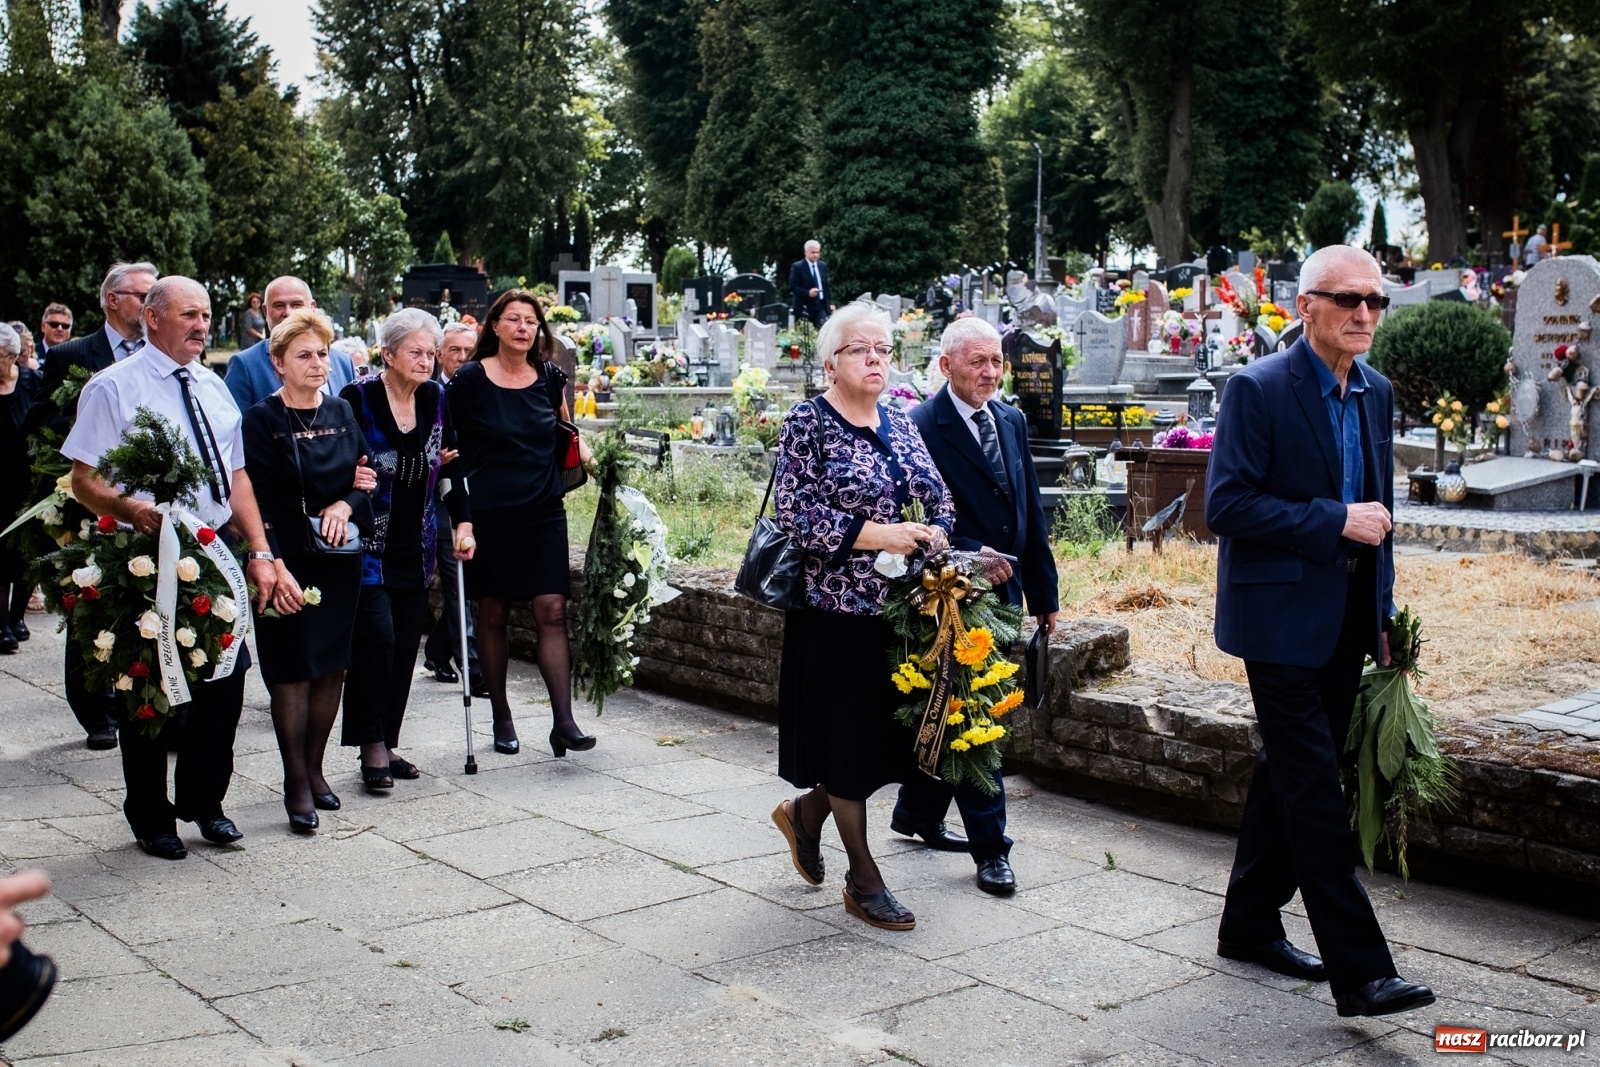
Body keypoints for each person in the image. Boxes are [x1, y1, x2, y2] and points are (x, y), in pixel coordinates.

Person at [1206, 244, 1435, 1017]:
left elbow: (1384, 521)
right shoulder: (1257, 389)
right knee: (1313, 791)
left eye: (1375, 301)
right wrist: (1335, 519)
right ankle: (1362, 971)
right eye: (1347, 300)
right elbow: (1226, 507)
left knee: (1287, 771)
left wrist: (1385, 618)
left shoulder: (1376, 391)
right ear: (1306, 307)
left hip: (1346, 621)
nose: (1364, 314)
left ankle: (1246, 922)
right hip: (1274, 620)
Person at [62, 276, 279, 860]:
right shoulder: (114, 388)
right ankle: (152, 816)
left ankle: (206, 803)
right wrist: (129, 509)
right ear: (152, 319)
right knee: (147, 690)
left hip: (212, 556)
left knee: (225, 685)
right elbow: (84, 480)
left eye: (206, 315)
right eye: (189, 315)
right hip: (144, 557)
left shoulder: (213, 386)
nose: (202, 326)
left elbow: (235, 479)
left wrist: (258, 550)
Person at [769, 300, 954, 932]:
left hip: (900, 613)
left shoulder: (901, 421)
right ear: (830, 362)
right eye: (860, 349)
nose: (875, 358)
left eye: (882, 349)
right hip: (835, 614)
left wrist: (932, 533)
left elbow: (939, 498)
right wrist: (881, 536)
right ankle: (863, 878)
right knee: (848, 745)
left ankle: (807, 813)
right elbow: (793, 515)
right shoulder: (807, 422)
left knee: (878, 745)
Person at [889, 316, 1058, 896]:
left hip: (1005, 595)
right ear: (946, 366)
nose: (991, 373)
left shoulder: (1008, 419)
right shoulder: (916, 426)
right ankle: (992, 849)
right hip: (948, 598)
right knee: (973, 717)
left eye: (997, 363)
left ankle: (916, 810)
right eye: (978, 362)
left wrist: (1045, 594)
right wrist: (963, 555)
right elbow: (908, 520)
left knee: (957, 708)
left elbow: (1029, 513)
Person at [447, 290, 591, 759]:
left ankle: (563, 722)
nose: (524, 328)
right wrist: (461, 520)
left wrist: (599, 461)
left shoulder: (550, 378)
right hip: (490, 514)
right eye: (514, 319)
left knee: (552, 609)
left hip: (543, 509)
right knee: (493, 612)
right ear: (495, 327)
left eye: (531, 321)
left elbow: (565, 433)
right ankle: (502, 716)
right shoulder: (469, 380)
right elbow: (451, 451)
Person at [242, 309, 371, 833]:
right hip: (285, 561)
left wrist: (343, 506)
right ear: (278, 363)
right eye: (304, 355)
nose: (318, 363)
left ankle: (316, 769)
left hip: (339, 561)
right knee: (292, 673)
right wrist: (267, 560)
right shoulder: (262, 419)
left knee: (332, 669)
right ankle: (295, 781)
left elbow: (365, 481)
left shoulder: (341, 408)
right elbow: (253, 498)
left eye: (322, 354)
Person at [26, 261, 159, 751]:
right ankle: (96, 711)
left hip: (146, 499)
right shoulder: (72, 355)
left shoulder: (158, 354)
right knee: (90, 605)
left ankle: (141, 697)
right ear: (112, 299)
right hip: (87, 500)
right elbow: (40, 422)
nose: (150, 304)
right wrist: (93, 441)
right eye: (142, 295)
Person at [342, 308, 475, 788]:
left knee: (402, 646)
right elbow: (344, 466)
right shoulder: (356, 398)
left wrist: (463, 523)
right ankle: (370, 746)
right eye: (415, 352)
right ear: (389, 353)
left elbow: (453, 468)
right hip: (367, 545)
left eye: (429, 352)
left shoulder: (438, 399)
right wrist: (416, 464)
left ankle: (387, 739)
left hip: (415, 542)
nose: (425, 360)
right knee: (375, 641)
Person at [422, 321, 483, 691]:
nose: (461, 358)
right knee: (457, 583)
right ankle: (473, 669)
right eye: (454, 351)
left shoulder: (481, 389)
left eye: (468, 352)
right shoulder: (429, 393)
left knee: (471, 585)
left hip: (481, 498)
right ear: (439, 354)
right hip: (441, 500)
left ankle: (437, 648)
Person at [225, 277, 357, 410]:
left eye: (296, 305)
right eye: (279, 305)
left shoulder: (344, 363)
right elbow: (236, 428)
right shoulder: (245, 365)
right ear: (265, 311)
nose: (288, 312)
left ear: (312, 307)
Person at [0, 323, 42, 654]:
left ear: (14, 356)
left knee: (29, 553)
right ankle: (2, 625)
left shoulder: (32, 382)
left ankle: (17, 618)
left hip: (27, 481)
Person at [788, 240, 832, 328]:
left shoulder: (822, 266)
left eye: (817, 252)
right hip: (804, 306)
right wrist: (808, 293)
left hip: (820, 306)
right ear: (806, 252)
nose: (815, 255)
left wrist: (830, 303)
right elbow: (793, 286)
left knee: (822, 329)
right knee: (804, 335)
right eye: (812, 252)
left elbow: (826, 286)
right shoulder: (798, 266)